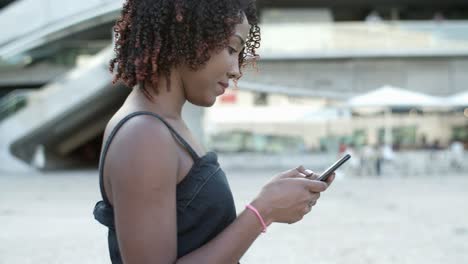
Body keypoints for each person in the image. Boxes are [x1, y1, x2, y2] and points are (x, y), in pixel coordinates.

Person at [92, 1, 335, 263]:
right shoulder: (143, 135)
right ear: (185, 33)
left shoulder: (164, 125)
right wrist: (264, 210)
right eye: (231, 48)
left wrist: (272, 197)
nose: (236, 69)